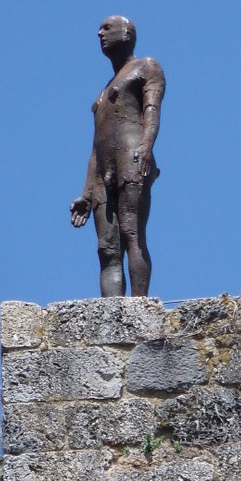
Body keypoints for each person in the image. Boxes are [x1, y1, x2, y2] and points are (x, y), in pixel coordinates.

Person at [70, 16, 165, 296]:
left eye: (107, 28)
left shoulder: (146, 66)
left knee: (131, 233)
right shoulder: (102, 94)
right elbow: (95, 147)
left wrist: (146, 147)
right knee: (106, 247)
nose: (99, 33)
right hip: (103, 171)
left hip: (132, 158)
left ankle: (139, 308)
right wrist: (87, 193)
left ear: (127, 33)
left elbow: (151, 110)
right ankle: (112, 314)